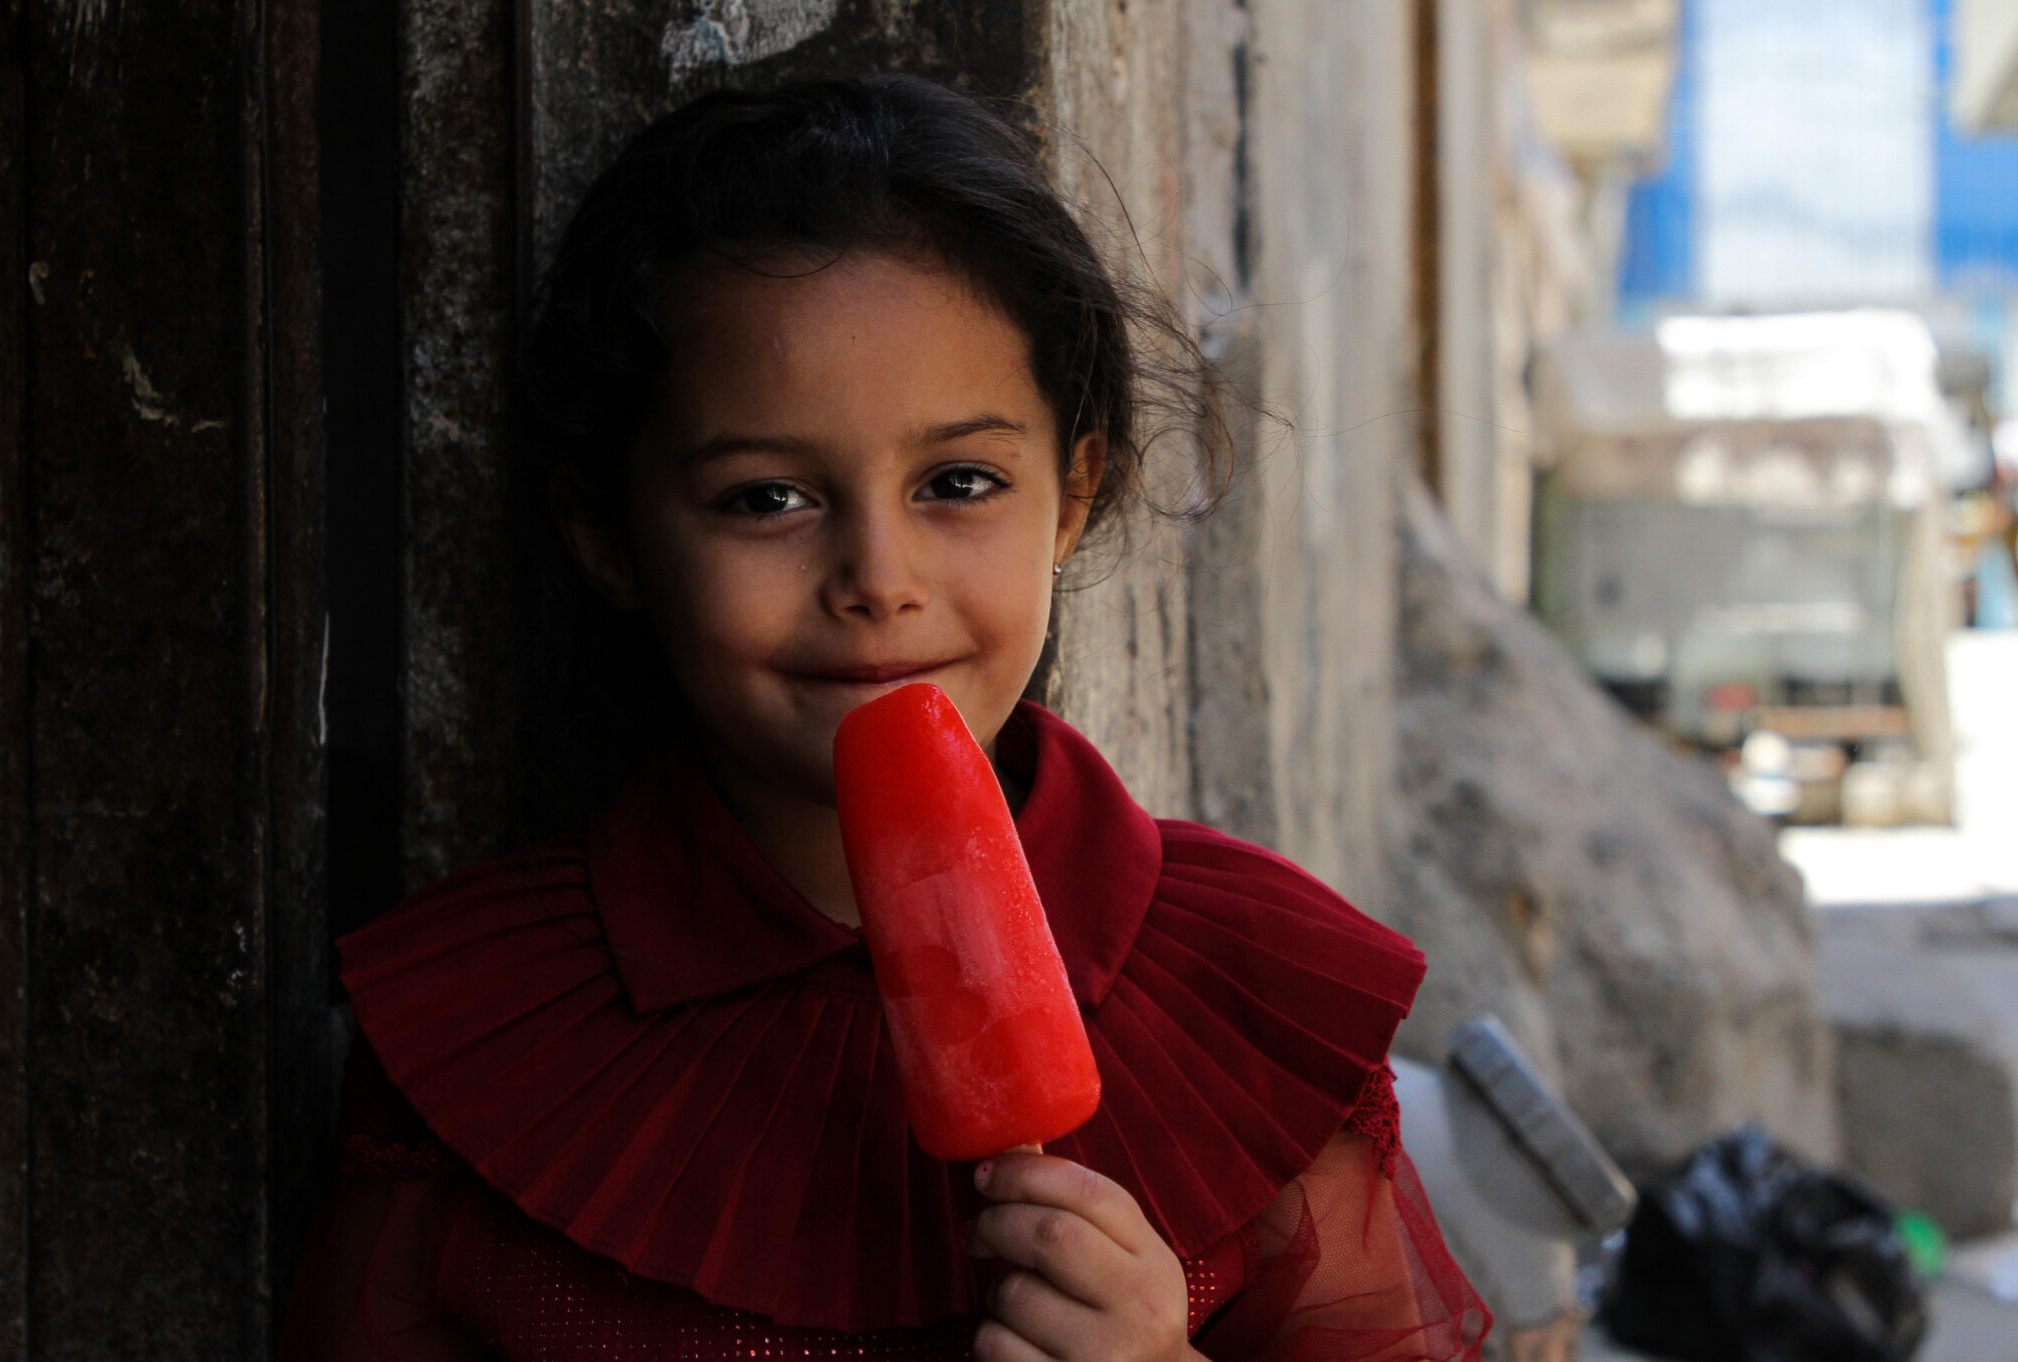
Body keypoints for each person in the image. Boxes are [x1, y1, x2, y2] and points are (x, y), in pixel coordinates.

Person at [277, 75, 1490, 1362]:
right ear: (610, 535)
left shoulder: (1255, 998)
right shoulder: (477, 1039)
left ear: (1072, 495)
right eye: (764, 498)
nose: (878, 576)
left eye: (958, 482)